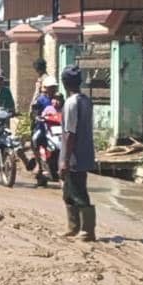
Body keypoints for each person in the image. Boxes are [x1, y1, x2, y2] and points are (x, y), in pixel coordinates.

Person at [59, 65, 96, 241]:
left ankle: (87, 230)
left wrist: (64, 160)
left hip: (74, 154)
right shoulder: (86, 100)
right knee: (68, 192)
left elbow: (69, 133)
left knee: (78, 191)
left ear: (64, 83)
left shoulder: (71, 103)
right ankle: (73, 227)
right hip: (85, 151)